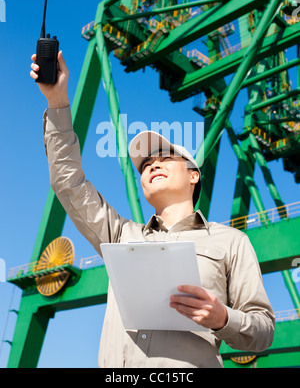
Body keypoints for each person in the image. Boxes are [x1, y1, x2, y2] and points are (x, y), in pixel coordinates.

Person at [30, 51, 275, 368]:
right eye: (145, 164)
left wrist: (223, 317)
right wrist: (57, 102)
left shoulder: (231, 242)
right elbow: (68, 183)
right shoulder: (119, 235)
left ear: (193, 174)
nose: (152, 163)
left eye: (165, 156)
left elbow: (263, 331)